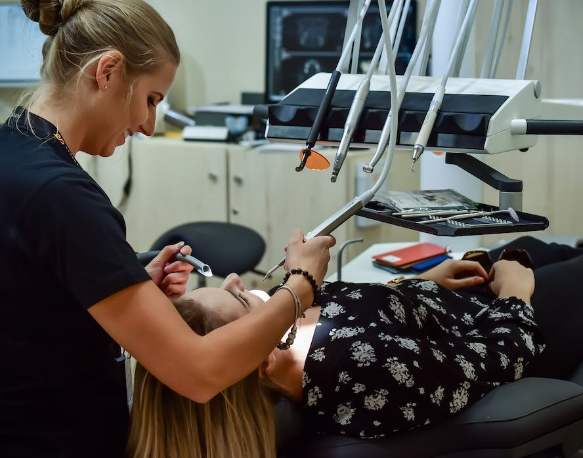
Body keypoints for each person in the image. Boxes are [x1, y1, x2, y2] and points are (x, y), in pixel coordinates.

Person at [0, 1, 334, 457]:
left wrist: (118, 281)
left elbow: (28, 298)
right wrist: (300, 286)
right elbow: (198, 373)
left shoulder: (13, 152)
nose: (149, 126)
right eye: (151, 99)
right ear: (108, 72)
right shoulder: (65, 196)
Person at [129, 236, 583, 458]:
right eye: (236, 297)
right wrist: (516, 291)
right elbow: (497, 358)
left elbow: (372, 312)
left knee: (531, 241)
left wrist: (420, 283)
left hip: (458, 296)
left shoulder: (293, 334)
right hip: (516, 325)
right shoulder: (362, 374)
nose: (233, 278)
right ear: (260, 359)